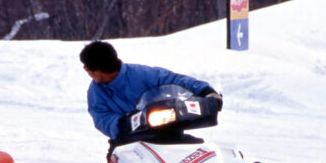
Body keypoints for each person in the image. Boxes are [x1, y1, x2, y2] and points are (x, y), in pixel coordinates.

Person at [79, 40, 223, 143]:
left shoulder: (141, 74)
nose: (86, 72)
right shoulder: (95, 92)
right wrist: (122, 124)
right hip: (127, 142)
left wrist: (206, 91)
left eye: (86, 68)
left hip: (165, 132)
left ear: (97, 71)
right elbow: (101, 118)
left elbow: (174, 80)